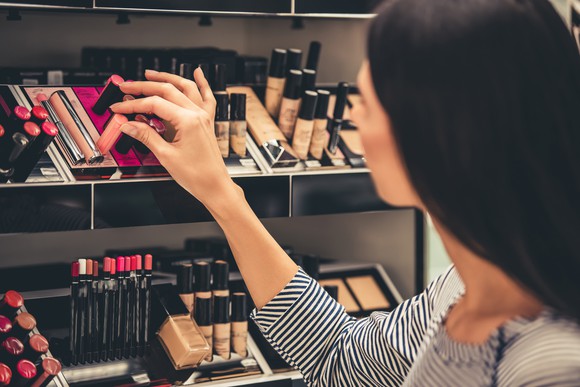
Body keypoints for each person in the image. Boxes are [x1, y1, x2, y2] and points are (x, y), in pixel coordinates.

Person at [110, 0, 580, 384]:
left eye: (365, 106)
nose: (352, 126)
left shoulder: (549, 363)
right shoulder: (465, 286)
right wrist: (220, 193)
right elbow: (340, 358)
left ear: (440, 134)